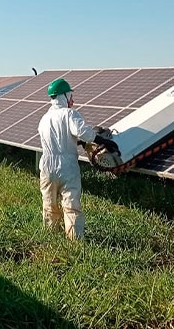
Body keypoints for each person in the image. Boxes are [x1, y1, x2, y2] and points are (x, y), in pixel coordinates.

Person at [37, 78, 120, 239]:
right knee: (71, 206)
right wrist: (104, 141)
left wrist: (78, 141)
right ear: (64, 96)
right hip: (67, 167)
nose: (72, 100)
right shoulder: (69, 114)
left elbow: (59, 138)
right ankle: (74, 242)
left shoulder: (44, 119)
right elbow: (83, 132)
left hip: (46, 167)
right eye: (70, 96)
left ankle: (49, 237)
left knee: (49, 205)